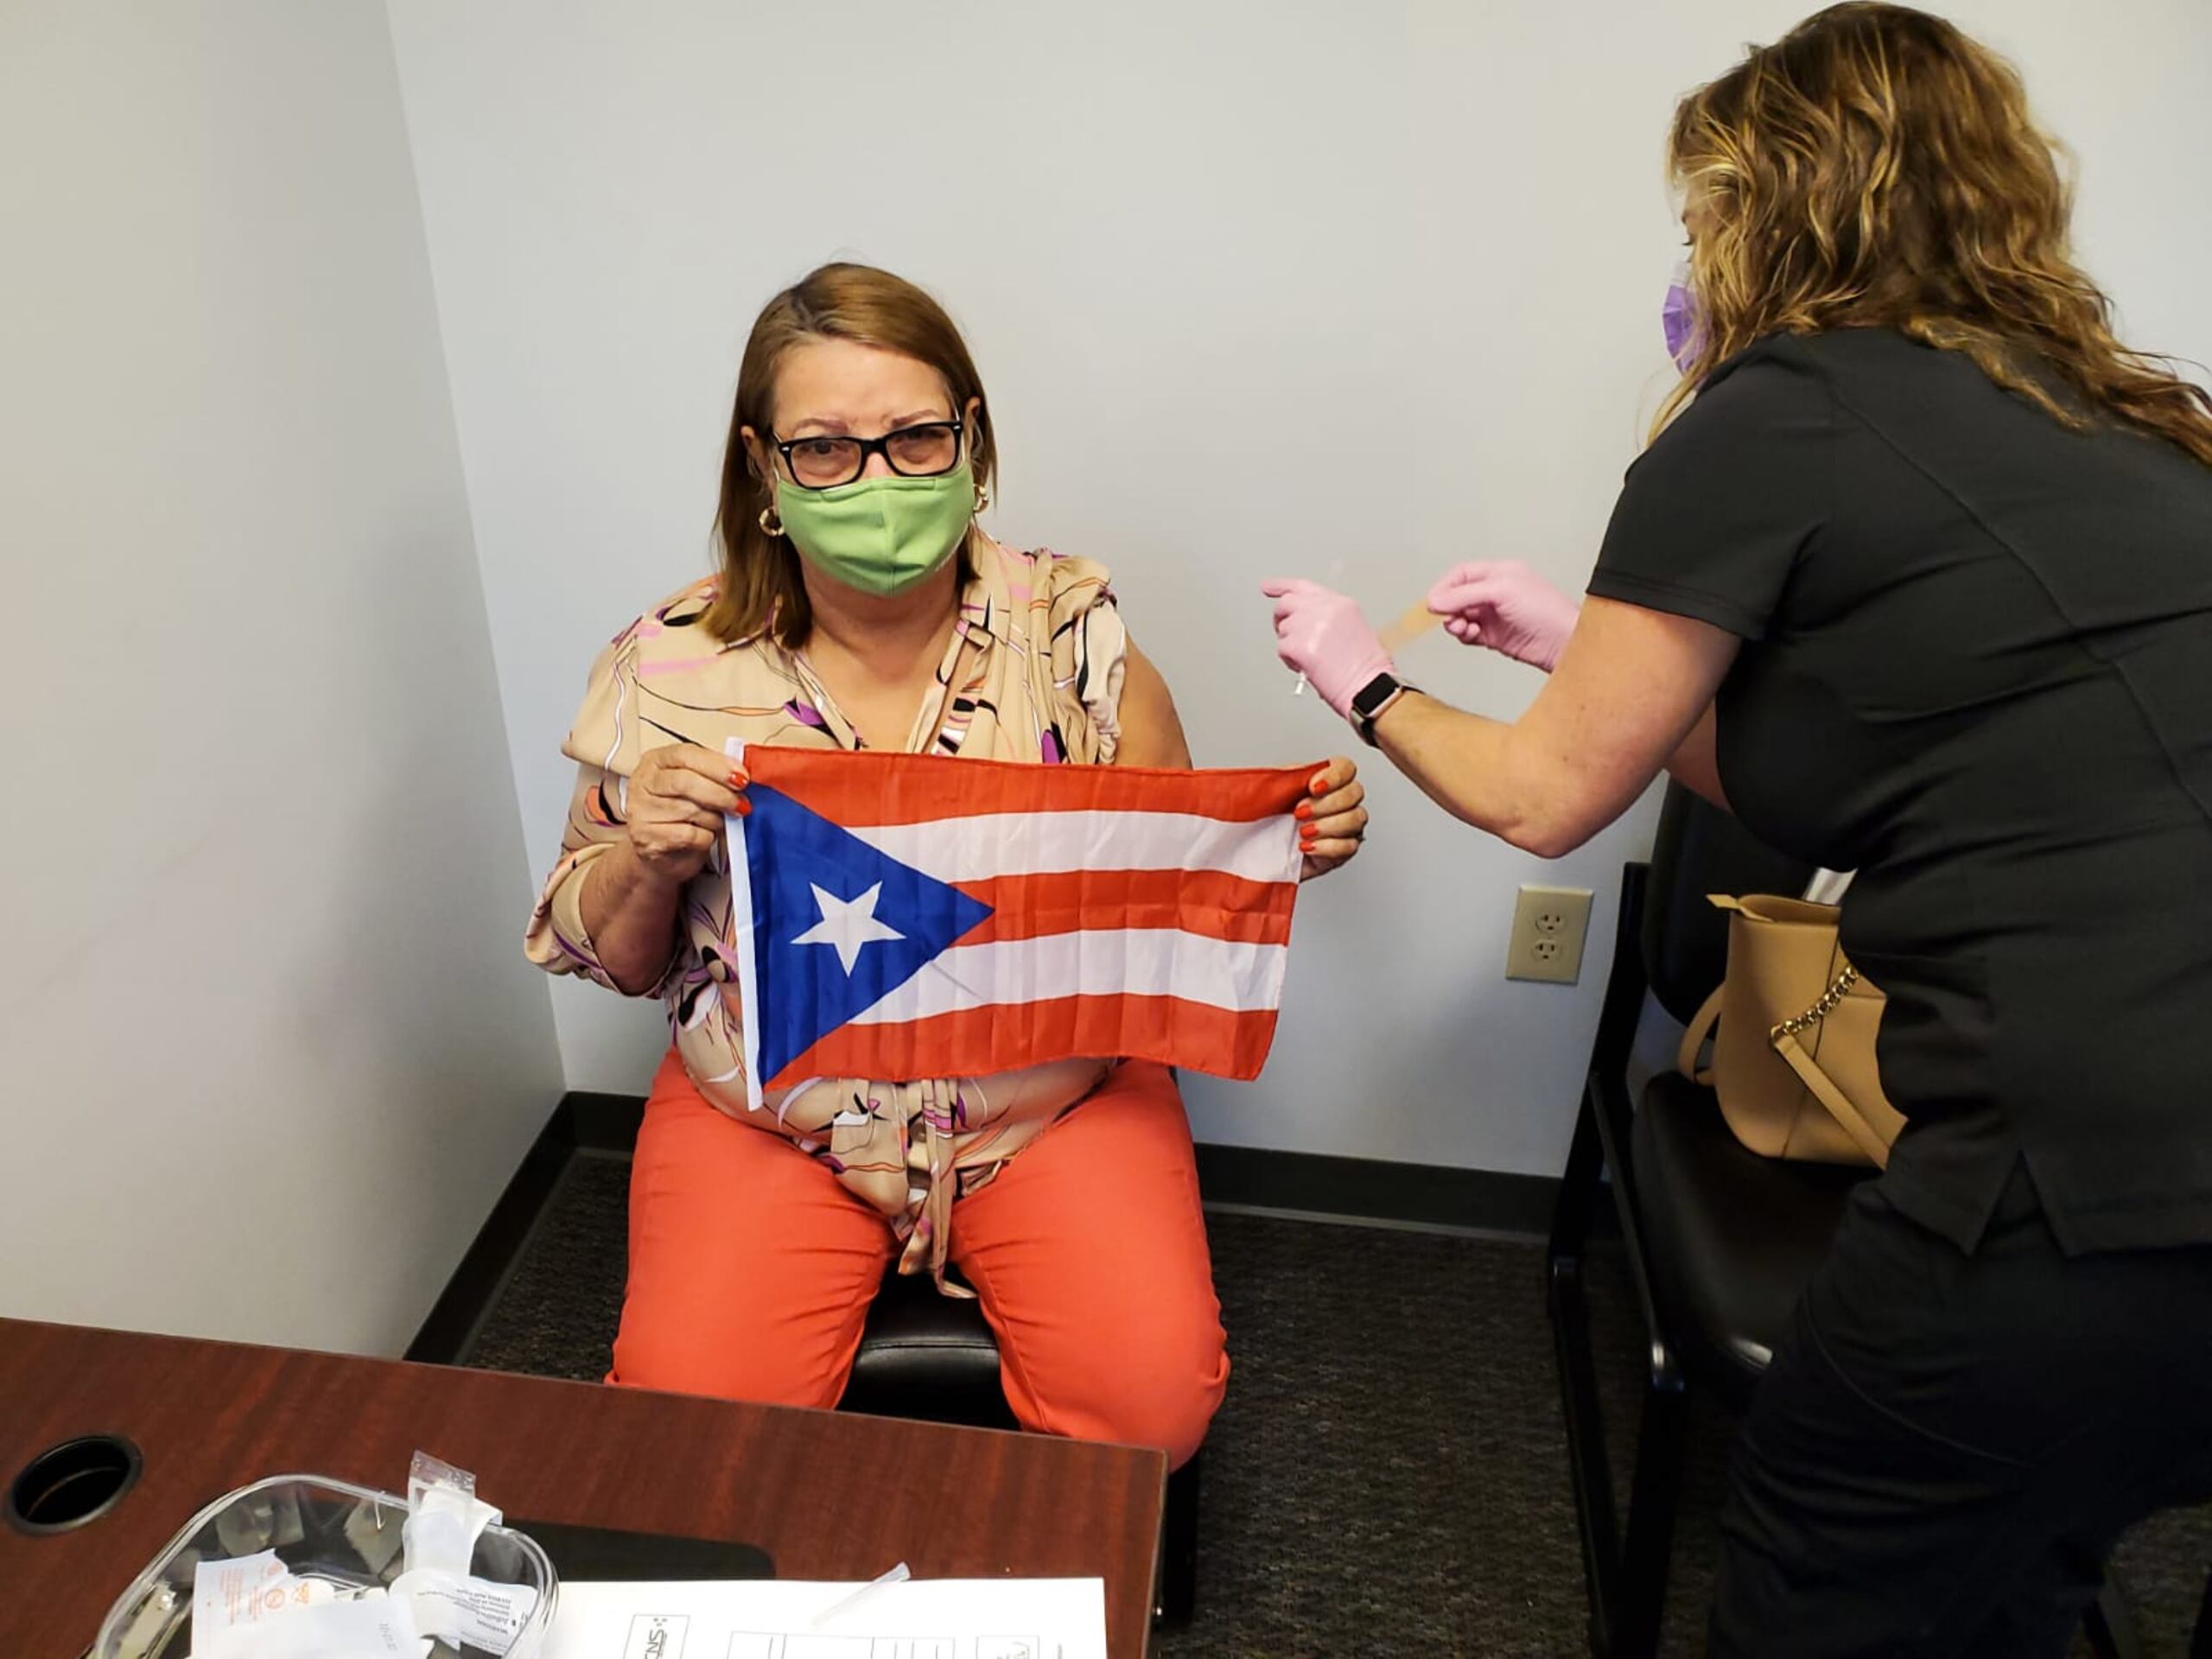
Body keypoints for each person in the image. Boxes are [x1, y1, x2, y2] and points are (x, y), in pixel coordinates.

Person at [1264, 5, 2212, 1652]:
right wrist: (1592, 649)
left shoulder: (1777, 405)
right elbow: (1870, 745)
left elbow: (1545, 799)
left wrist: (1361, 685)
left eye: (1702, 219)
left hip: (2094, 1178)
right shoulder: (2123, 431)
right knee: (2031, 1545)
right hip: (2168, 1172)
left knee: (1825, 1566)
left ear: (1770, 205)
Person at [526, 262, 1367, 1470]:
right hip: (775, 1113)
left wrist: (1280, 851)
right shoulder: (670, 666)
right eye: (825, 449)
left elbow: (1163, 867)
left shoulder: (1075, 632)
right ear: (764, 470)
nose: (876, 480)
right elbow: (600, 956)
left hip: (1049, 1101)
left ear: (972, 441)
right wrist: (648, 862)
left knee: (1150, 1416)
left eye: (915, 436)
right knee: (686, 1430)